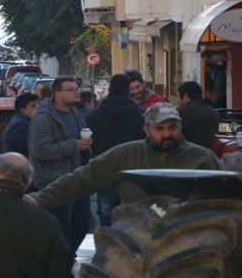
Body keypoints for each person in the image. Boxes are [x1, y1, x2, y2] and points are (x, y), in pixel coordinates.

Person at [31, 102, 224, 212]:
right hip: (138, 232)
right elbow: (83, 178)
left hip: (190, 233)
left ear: (180, 127)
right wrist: (38, 199)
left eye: (172, 127)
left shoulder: (202, 158)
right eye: (160, 128)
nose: (167, 134)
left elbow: (227, 195)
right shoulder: (126, 154)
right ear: (146, 130)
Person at [28, 76, 93, 260]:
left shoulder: (73, 113)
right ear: (57, 94)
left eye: (77, 89)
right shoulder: (43, 118)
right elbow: (39, 150)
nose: (76, 92)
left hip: (77, 180)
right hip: (55, 183)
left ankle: (65, 260)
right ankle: (60, 269)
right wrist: (74, 145)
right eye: (70, 90)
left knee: (82, 223)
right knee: (61, 231)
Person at [84, 74, 144, 227]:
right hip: (134, 171)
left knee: (106, 212)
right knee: (134, 215)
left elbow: (89, 143)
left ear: (109, 90)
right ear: (127, 91)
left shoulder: (94, 116)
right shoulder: (141, 115)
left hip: (105, 170)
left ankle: (109, 244)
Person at [177, 80, 220, 149]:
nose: (178, 101)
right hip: (207, 156)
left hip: (185, 156)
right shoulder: (214, 113)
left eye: (178, 97)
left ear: (186, 97)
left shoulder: (182, 113)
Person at [2, 92, 39, 157]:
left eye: (38, 106)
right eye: (33, 106)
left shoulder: (23, 121)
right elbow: (27, 149)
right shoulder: (20, 125)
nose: (37, 109)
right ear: (22, 109)